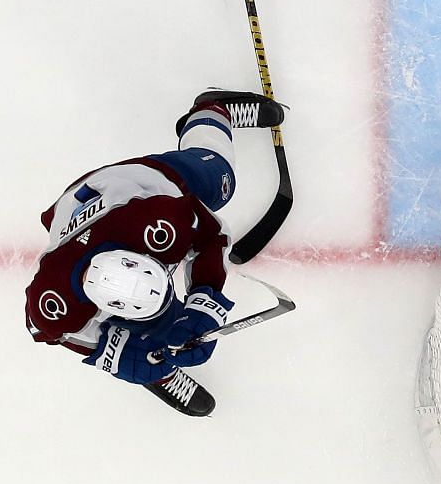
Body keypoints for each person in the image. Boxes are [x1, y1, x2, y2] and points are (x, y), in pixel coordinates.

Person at [22, 89, 285, 416]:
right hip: (79, 218)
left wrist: (205, 299)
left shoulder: (159, 225)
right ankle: (156, 364)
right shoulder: (55, 299)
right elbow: (56, 333)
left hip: (148, 184)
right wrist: (116, 356)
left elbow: (212, 235)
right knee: (145, 336)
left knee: (221, 178)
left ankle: (212, 110)